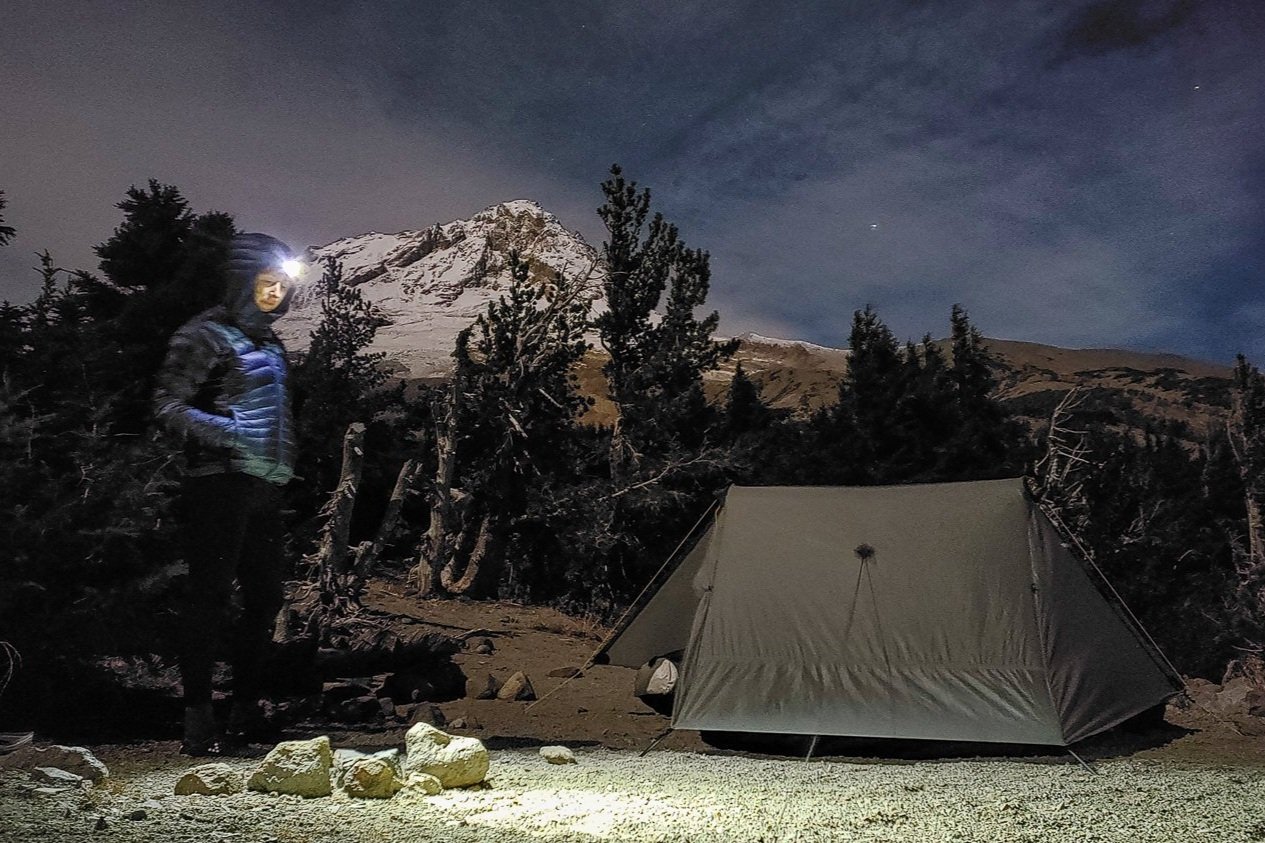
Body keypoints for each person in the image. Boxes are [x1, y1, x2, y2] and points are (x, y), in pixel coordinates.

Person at [153, 232, 303, 754]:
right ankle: (197, 720)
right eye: (267, 282)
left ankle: (243, 714)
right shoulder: (205, 334)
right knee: (209, 598)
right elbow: (166, 405)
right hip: (218, 482)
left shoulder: (271, 343)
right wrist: (231, 433)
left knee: (265, 600)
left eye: (282, 286)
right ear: (243, 281)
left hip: (263, 484)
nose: (275, 293)